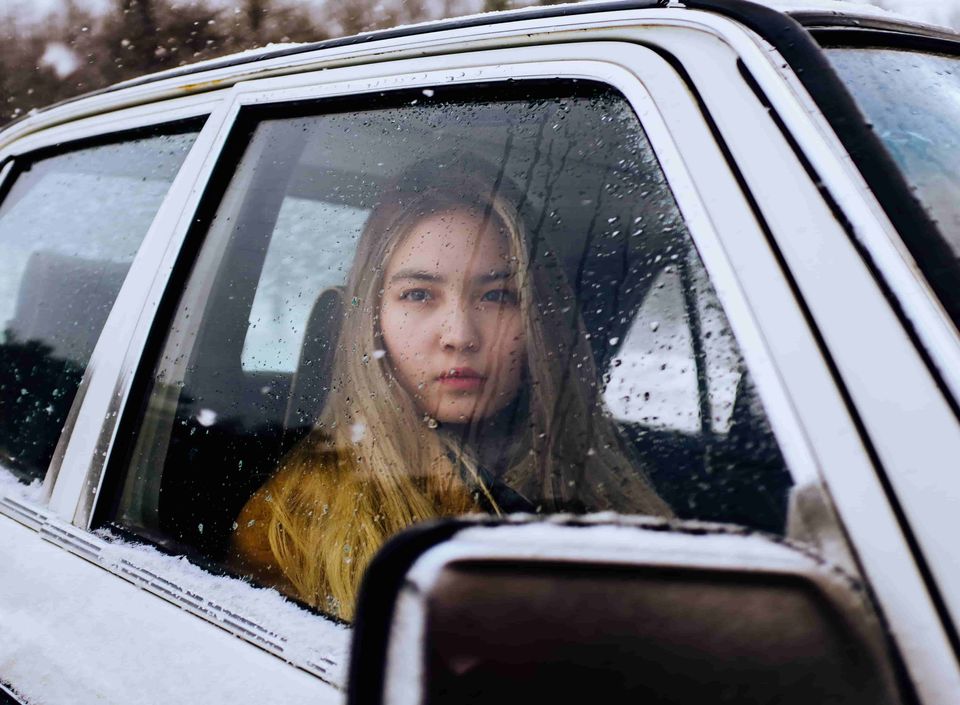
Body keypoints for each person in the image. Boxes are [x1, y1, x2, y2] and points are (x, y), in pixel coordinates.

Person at [230, 157, 670, 620]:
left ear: (537, 319)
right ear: (372, 319)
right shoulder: (293, 522)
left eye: (497, 295)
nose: (460, 334)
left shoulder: (601, 491)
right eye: (419, 295)